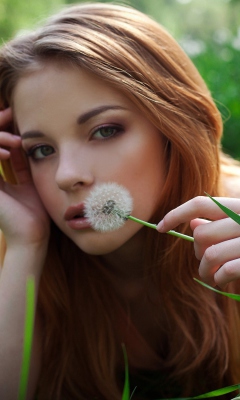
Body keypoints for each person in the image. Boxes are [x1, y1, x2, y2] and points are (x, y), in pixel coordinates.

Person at [0, 3, 240, 399]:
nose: (66, 175)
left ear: (173, 126)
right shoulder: (18, 259)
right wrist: (27, 245)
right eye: (41, 150)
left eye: (105, 130)